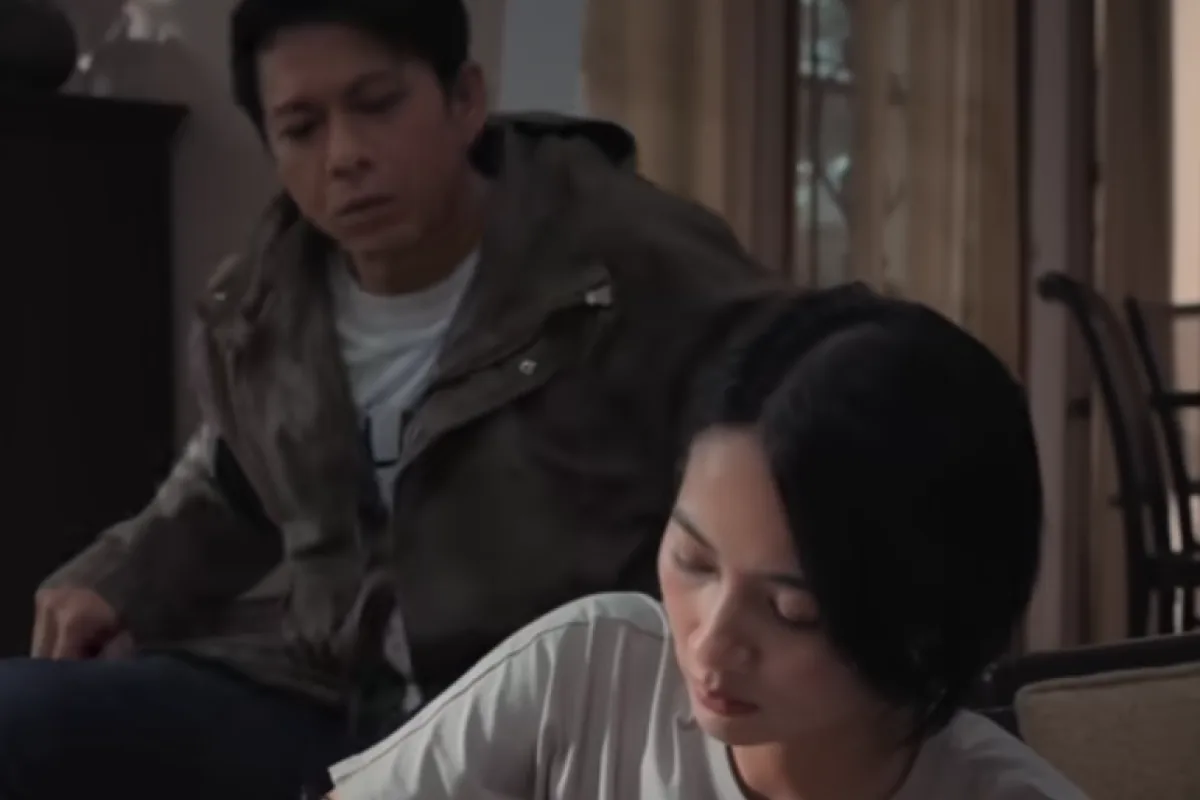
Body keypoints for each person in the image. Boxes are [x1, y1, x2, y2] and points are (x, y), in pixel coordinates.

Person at [0, 1, 785, 798]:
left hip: (544, 711)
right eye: (301, 128)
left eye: (377, 105)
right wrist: (117, 578)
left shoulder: (625, 256)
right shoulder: (262, 302)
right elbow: (233, 485)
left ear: (464, 99)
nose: (345, 155)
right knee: (19, 715)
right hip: (331, 692)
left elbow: (795, 407)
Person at [324, 286, 1089, 800]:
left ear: (926, 621)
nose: (710, 644)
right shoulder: (589, 675)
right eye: (693, 562)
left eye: (791, 611)